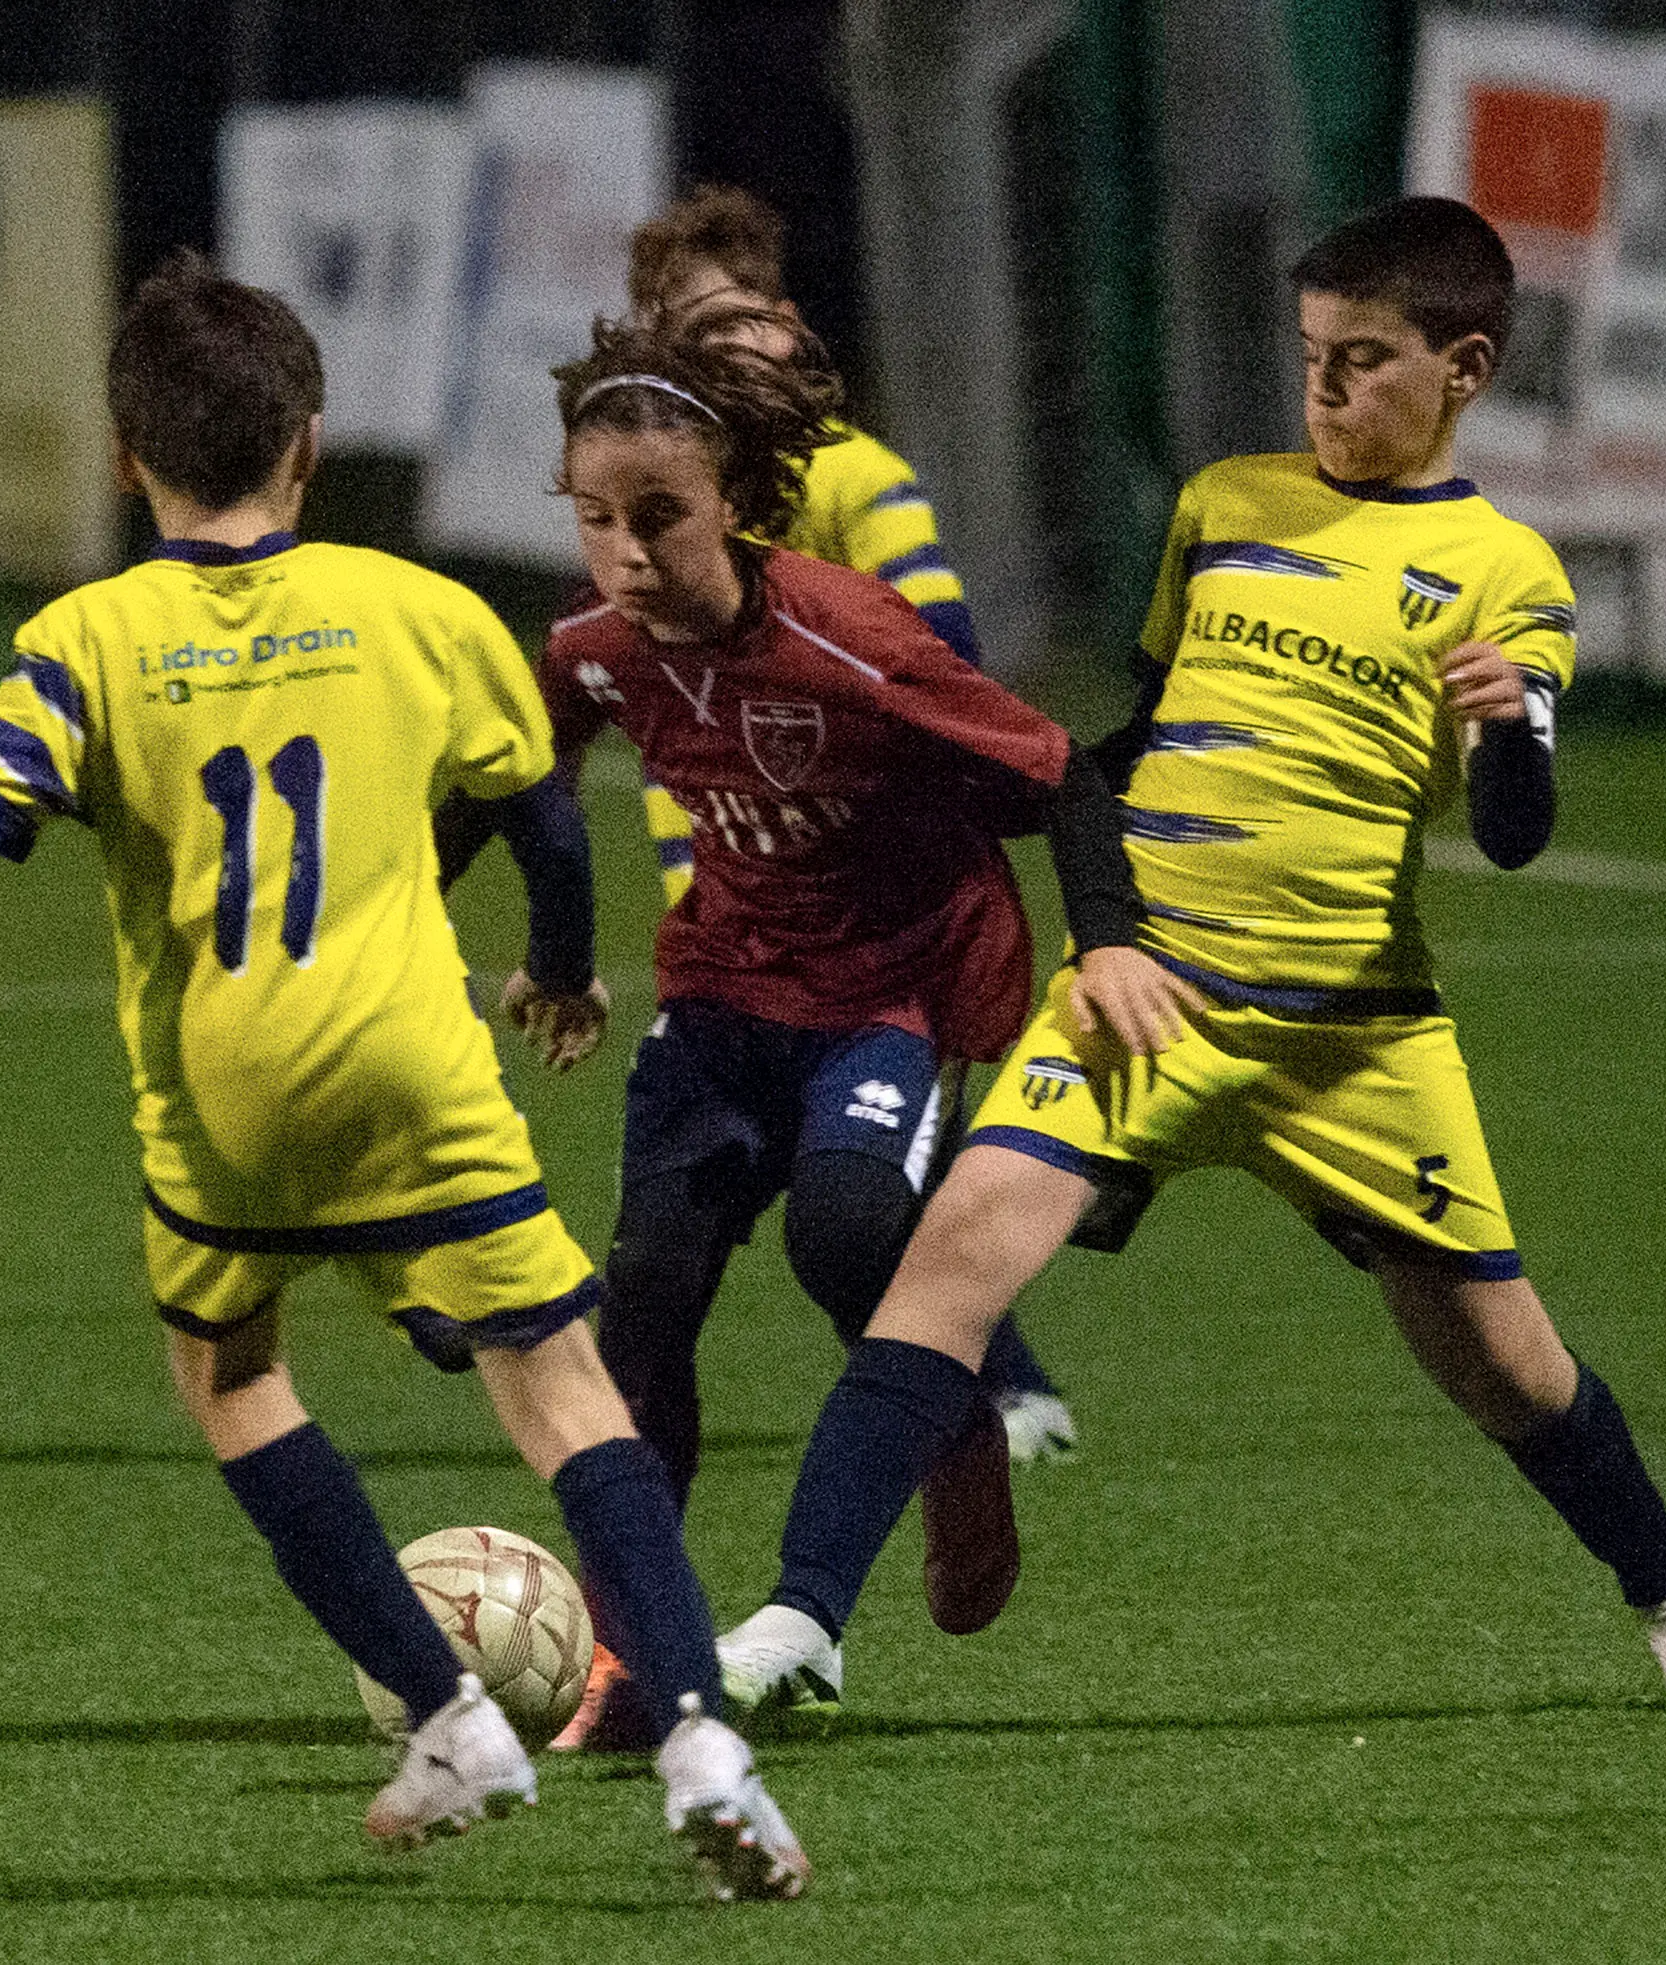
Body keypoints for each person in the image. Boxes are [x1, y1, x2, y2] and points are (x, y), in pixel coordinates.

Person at [0, 253, 809, 1901]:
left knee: (233, 1375)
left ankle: (450, 1716)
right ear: (307, 444)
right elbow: (539, 814)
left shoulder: (90, 639)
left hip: (225, 1095)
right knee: (562, 1392)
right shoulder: (424, 611)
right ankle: (697, 1739)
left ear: (125, 460)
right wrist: (548, 965)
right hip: (411, 1061)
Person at [709, 196, 1666, 1727]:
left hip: (1351, 1032)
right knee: (949, 1265)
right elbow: (1125, 747)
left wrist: (1504, 725)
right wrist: (1101, 924)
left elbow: (1520, 830)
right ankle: (803, 1617)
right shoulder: (1224, 504)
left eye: (1363, 362)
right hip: (1147, 994)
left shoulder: (1503, 572)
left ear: (1463, 367)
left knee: (1504, 1369)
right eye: (1308, 359)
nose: (1324, 393)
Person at [448, 312, 1147, 1749]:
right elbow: (511, 785)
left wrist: (1118, 944)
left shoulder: (850, 634)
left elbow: (1063, 775)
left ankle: (952, 1429)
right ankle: (632, 1658)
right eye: (595, 521)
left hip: (885, 1000)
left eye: (661, 519)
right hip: (718, 995)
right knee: (643, 1295)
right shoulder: (592, 651)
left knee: (845, 1239)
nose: (627, 553)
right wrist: (530, 957)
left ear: (738, 503)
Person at [627, 185, 1079, 1463]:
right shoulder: (658, 505)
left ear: (783, 323)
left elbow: (954, 661)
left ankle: (968, 1406)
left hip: (886, 915)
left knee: (855, 1190)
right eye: (680, 330)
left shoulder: (852, 475)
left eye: (734, 318)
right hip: (735, 917)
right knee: (704, 1219)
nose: (712, 349)